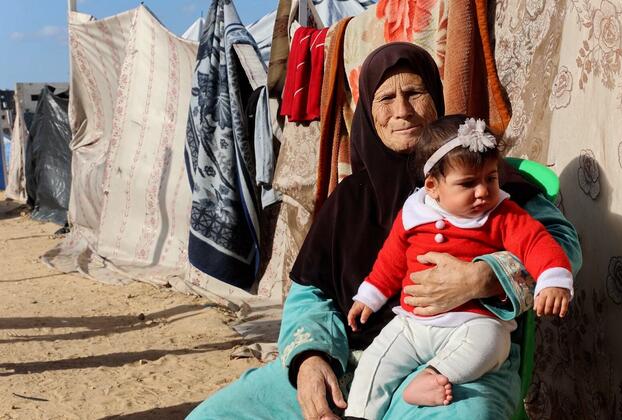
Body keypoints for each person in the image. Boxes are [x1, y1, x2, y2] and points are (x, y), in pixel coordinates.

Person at [187, 42, 582, 420]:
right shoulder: (350, 198)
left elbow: (562, 247)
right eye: (386, 98)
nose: (403, 111)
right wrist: (310, 357)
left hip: (452, 366)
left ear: (437, 99)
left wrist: (483, 277)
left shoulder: (488, 182)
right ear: (367, 113)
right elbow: (311, 291)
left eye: (415, 92)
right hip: (350, 361)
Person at [344, 116, 573, 419]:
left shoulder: (502, 215)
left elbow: (538, 243)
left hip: (471, 323)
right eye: (468, 183)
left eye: (491, 179)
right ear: (433, 187)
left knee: (492, 342)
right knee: (376, 359)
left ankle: (433, 376)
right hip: (414, 324)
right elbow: (391, 260)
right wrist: (369, 297)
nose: (482, 191)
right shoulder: (413, 214)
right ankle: (359, 414)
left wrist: (552, 278)